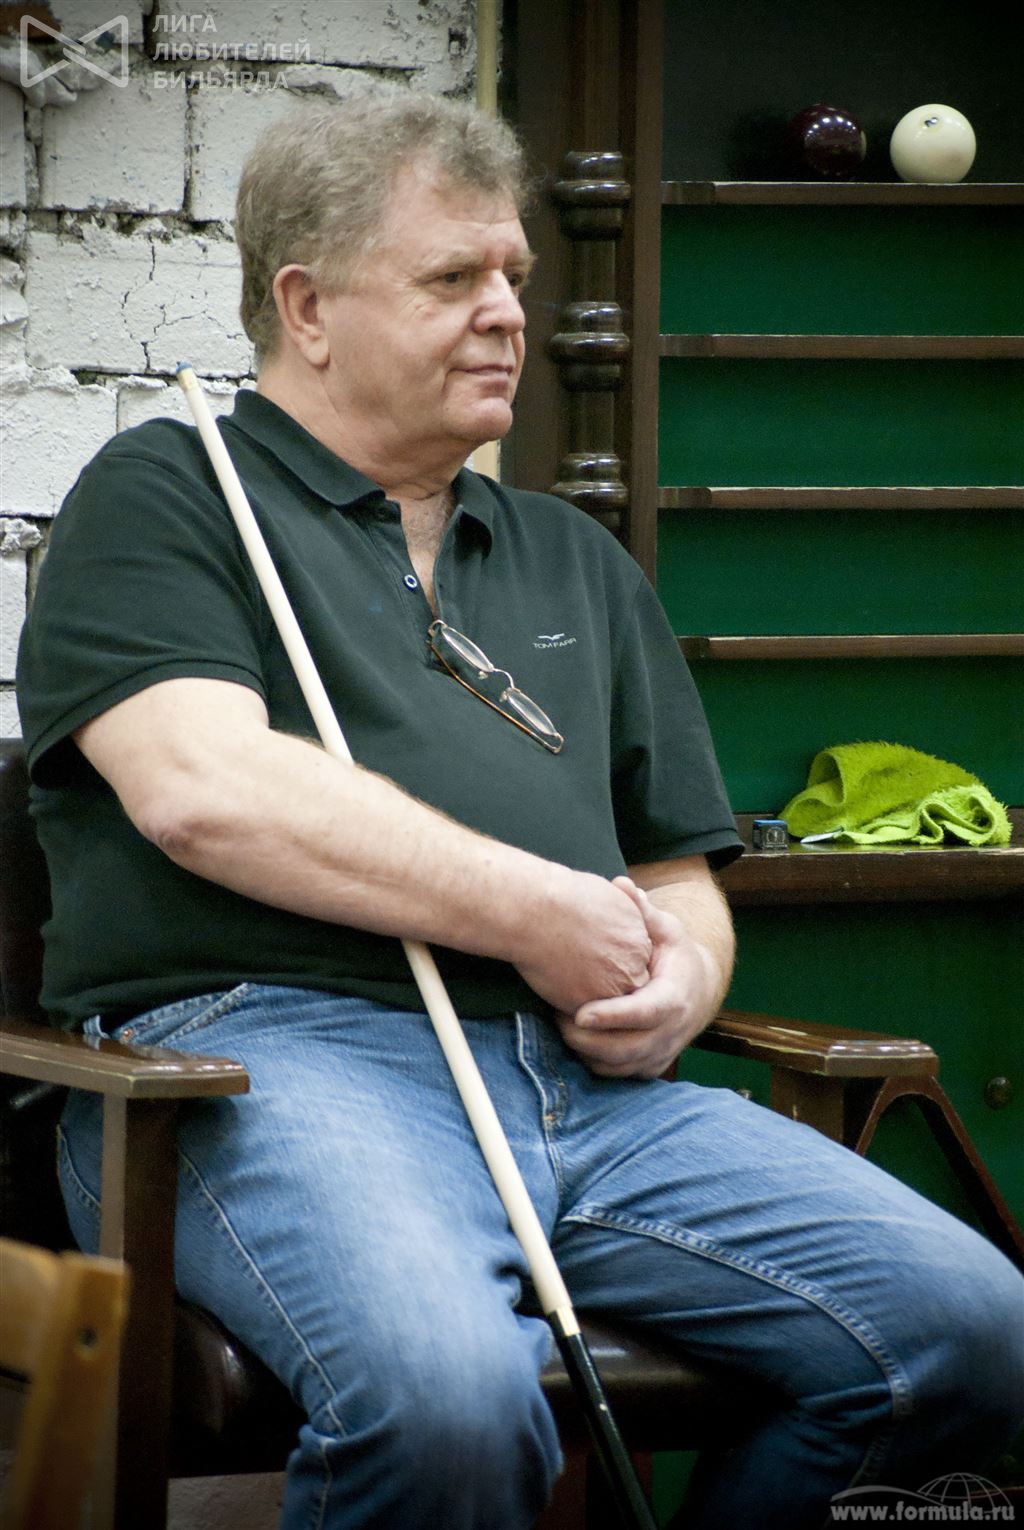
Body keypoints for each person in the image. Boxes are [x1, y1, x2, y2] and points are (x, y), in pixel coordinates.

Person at [16, 88, 1022, 1530]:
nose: (506, 313)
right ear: (305, 307)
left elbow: (675, 869)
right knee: (451, 1403)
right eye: (452, 277)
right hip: (264, 1063)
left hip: (592, 1090)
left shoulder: (570, 555)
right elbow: (202, 790)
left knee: (976, 1333)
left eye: (514, 277)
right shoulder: (170, 491)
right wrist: (538, 912)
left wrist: (685, 980)